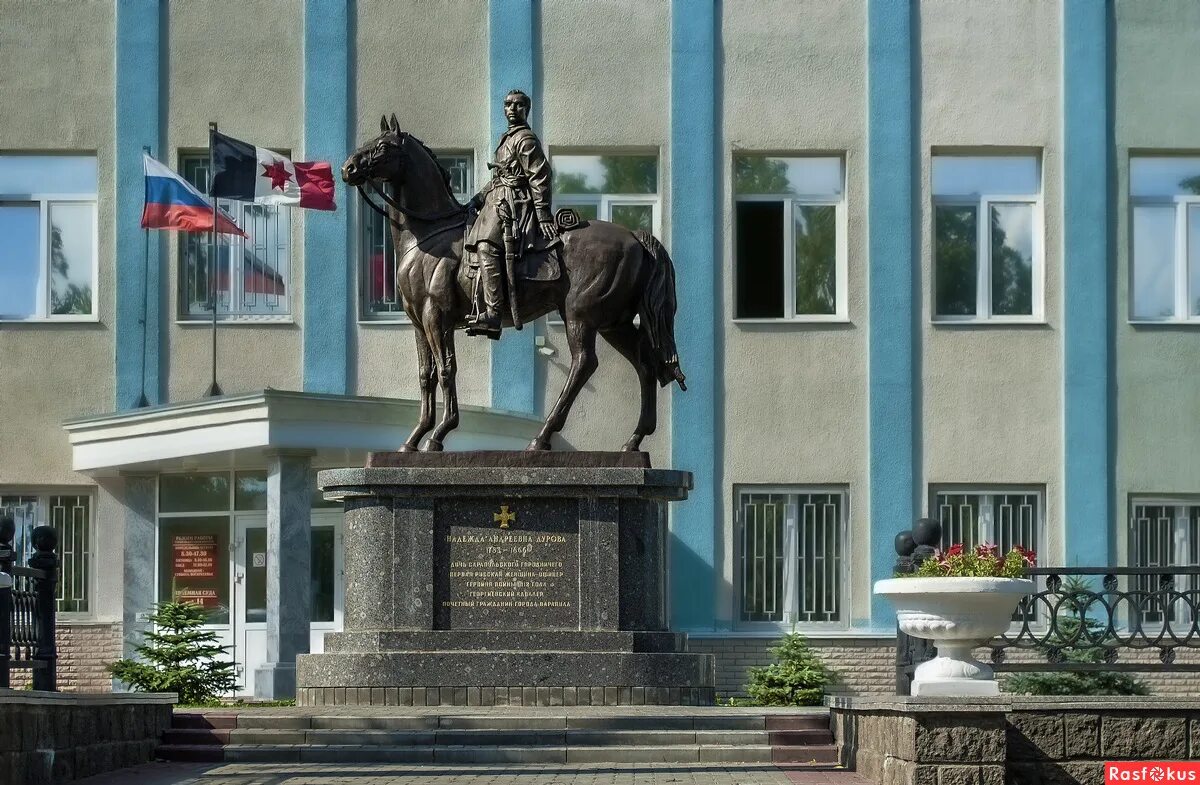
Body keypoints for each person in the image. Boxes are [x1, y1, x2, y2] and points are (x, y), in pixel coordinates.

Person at [464, 89, 558, 337]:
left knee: (486, 245)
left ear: (526, 109)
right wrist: (477, 198)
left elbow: (540, 176)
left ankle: (493, 313)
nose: (512, 109)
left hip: (515, 203)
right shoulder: (506, 139)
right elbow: (498, 178)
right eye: (507, 105)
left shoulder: (525, 139)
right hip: (498, 197)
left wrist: (543, 213)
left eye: (518, 105)